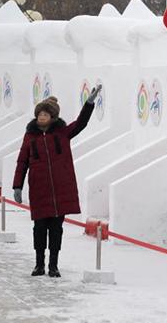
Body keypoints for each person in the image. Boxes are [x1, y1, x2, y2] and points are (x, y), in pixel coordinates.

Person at [12, 85, 101, 277]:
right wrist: (17, 185)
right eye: (39, 114)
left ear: (52, 117)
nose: (41, 117)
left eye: (45, 114)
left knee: (56, 229)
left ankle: (53, 265)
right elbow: (22, 162)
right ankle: (39, 264)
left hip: (61, 190)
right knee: (39, 228)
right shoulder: (30, 136)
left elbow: (81, 123)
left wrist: (89, 103)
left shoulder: (62, 133)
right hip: (39, 190)